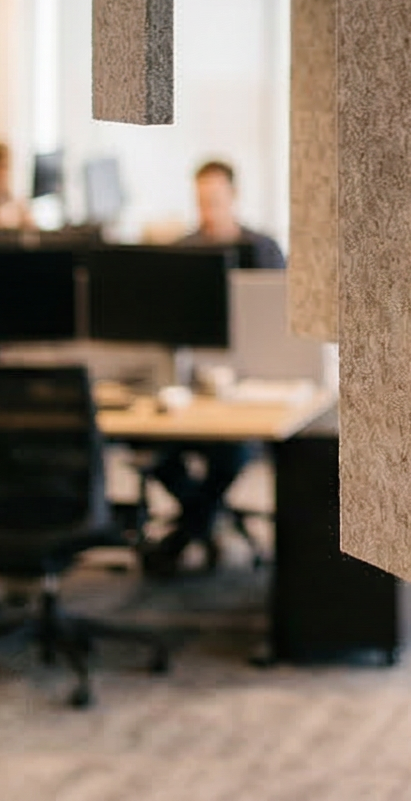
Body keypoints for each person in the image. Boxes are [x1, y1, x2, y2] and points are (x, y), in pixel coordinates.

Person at [144, 159, 282, 573]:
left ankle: (186, 532)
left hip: (253, 386)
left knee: (233, 452)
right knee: (152, 449)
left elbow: (280, 324)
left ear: (234, 198)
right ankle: (201, 520)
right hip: (188, 385)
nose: (208, 210)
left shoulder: (263, 249)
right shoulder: (183, 252)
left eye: (216, 201)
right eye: (201, 201)